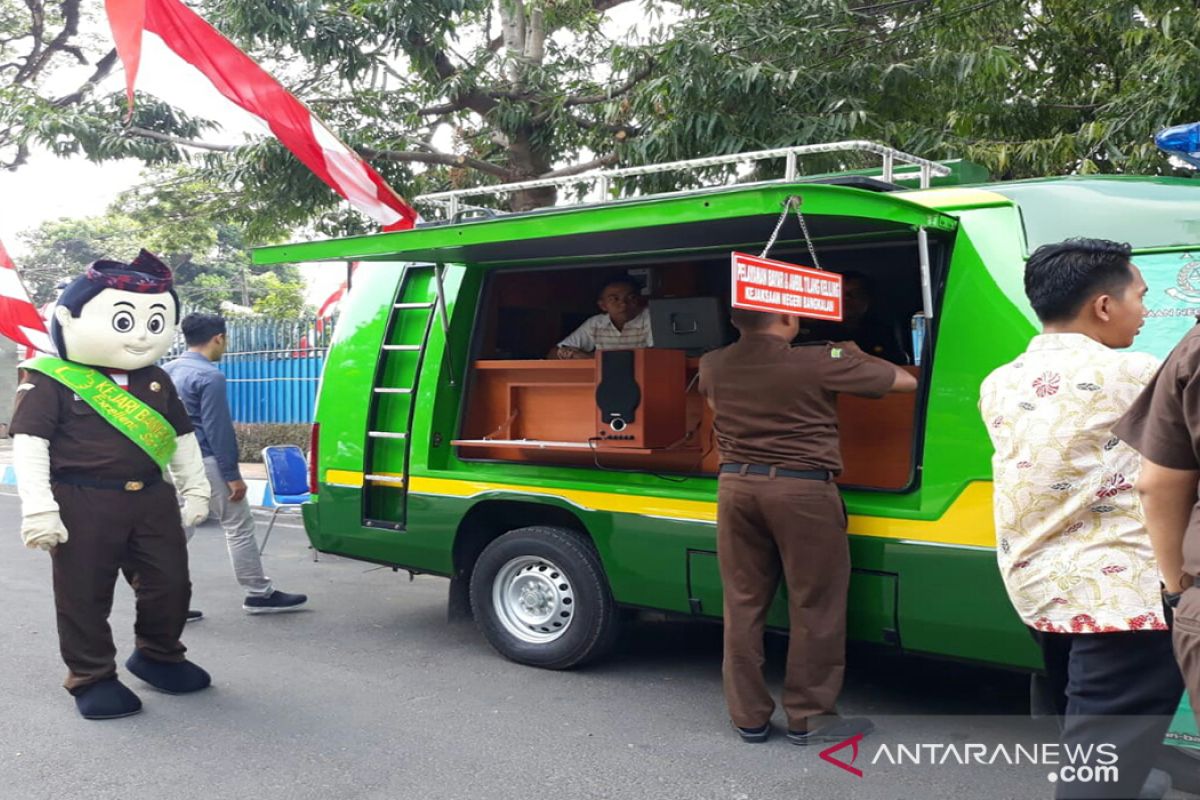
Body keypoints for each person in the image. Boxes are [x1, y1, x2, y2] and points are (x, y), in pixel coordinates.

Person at [979, 238, 1183, 800]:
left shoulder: (997, 382)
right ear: (1103, 305)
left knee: (1090, 723)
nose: (1144, 311)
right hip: (1120, 595)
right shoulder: (1141, 374)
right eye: (1141, 297)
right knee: (1101, 763)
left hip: (1038, 585)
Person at [698, 307, 916, 744]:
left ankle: (748, 716)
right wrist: (845, 350)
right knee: (815, 604)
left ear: (736, 321)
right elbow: (905, 381)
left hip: (736, 487)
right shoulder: (821, 359)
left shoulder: (712, 363)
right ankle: (810, 716)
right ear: (787, 318)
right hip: (801, 492)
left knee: (742, 603)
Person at [10, 250, 213, 719]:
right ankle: (92, 676)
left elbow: (182, 438)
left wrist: (195, 488)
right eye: (126, 321)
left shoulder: (157, 379)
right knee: (84, 594)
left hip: (151, 496)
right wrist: (39, 508)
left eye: (155, 321)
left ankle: (159, 655)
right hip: (82, 499)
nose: (142, 334)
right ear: (68, 318)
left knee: (171, 584)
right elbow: (31, 444)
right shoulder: (49, 380)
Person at [163, 313, 308, 616]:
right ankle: (258, 593)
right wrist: (232, 476)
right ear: (218, 338)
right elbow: (218, 429)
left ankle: (163, 601)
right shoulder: (210, 376)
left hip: (171, 461)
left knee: (178, 528)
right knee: (238, 525)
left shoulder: (166, 371)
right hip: (205, 460)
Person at [1113, 326, 1200, 731]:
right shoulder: (1127, 369)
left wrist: (1178, 589)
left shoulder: (1192, 349)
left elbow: (1159, 485)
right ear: (1104, 305)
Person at [800, 271, 909, 364]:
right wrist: (841, 352)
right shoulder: (817, 330)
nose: (846, 299)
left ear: (867, 299)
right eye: (840, 293)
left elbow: (895, 362)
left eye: (855, 293)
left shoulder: (881, 331)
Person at [550, 274, 653, 359]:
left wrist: (588, 357)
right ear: (603, 305)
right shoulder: (595, 323)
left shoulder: (650, 317)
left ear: (639, 300)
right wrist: (568, 353)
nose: (623, 304)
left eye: (631, 297)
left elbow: (656, 357)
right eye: (614, 299)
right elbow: (553, 354)